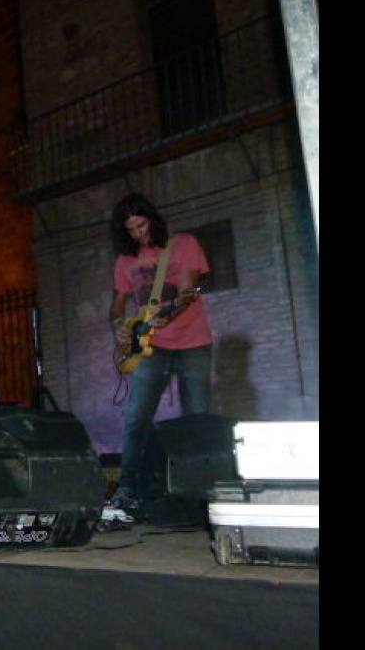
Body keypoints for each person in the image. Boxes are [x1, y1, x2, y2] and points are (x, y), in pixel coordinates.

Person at [107, 193, 213, 511]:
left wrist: (160, 319)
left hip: (193, 342)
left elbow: (188, 294)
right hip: (150, 348)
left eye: (142, 225)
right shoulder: (125, 262)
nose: (139, 233)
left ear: (152, 218)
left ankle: (201, 492)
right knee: (136, 418)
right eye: (131, 230)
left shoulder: (183, 244)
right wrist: (119, 326)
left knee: (197, 419)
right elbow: (117, 305)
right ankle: (126, 488)